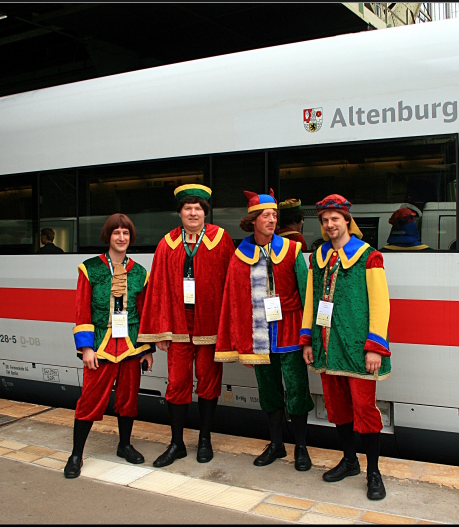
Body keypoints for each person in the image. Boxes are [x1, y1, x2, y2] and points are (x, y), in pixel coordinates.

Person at [300, 194, 392, 501]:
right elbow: (312, 301)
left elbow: (381, 305)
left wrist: (375, 347)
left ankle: (374, 473)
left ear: (347, 221)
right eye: (325, 221)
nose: (329, 225)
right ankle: (350, 461)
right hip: (328, 347)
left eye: (335, 219)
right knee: (338, 409)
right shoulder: (319, 257)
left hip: (357, 349)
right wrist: (308, 340)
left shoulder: (369, 257)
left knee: (364, 410)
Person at [215, 190, 315, 471]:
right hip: (259, 336)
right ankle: (276, 445)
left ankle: (301, 449)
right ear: (253, 221)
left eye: (274, 215)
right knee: (268, 393)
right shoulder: (239, 256)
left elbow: (307, 294)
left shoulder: (293, 250)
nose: (272, 220)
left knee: (297, 391)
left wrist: (308, 336)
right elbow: (234, 301)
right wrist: (242, 343)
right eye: (266, 216)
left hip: (291, 331)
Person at [137, 184, 234, 467]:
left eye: (198, 209)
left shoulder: (221, 239)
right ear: (179, 213)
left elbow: (231, 285)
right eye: (187, 208)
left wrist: (228, 328)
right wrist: (161, 331)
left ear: (205, 212)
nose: (193, 213)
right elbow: (158, 289)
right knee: (177, 384)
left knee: (208, 383)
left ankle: (205, 439)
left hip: (210, 326)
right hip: (178, 327)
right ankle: (177, 443)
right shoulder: (167, 243)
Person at [64, 213, 154, 478]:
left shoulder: (140, 272)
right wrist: (86, 348)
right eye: (116, 233)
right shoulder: (89, 268)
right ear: (108, 236)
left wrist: (147, 350)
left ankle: (124, 445)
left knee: (128, 401)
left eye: (126, 233)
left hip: (130, 348)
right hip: (100, 348)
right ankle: (76, 455)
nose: (121, 238)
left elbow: (143, 312)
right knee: (90, 401)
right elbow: (82, 311)